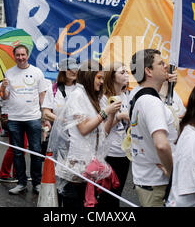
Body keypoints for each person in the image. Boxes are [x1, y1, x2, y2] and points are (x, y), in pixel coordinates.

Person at [49, 59, 122, 208]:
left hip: (91, 166)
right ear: (89, 76)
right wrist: (105, 112)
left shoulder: (96, 98)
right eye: (99, 77)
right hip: (77, 165)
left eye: (102, 78)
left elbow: (103, 133)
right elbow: (83, 129)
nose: (102, 81)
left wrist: (112, 114)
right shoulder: (77, 95)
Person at [0, 44, 49, 195]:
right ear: (14, 56)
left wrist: (44, 117)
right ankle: (21, 183)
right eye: (18, 55)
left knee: (35, 151)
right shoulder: (9, 73)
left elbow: (42, 96)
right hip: (14, 119)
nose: (21, 57)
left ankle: (37, 183)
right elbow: (4, 97)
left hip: (33, 118)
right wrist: (3, 87)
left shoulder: (37, 72)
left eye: (23, 55)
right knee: (18, 153)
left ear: (27, 56)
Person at [128, 49, 175, 207]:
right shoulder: (151, 102)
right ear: (148, 71)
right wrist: (173, 171)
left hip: (149, 180)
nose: (165, 66)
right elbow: (161, 144)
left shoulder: (141, 97)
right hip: (158, 182)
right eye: (161, 63)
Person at [97, 62, 130, 207]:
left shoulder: (126, 95)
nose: (126, 75)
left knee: (117, 194)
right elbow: (102, 129)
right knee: (106, 196)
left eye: (127, 72)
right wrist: (119, 116)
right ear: (112, 76)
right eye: (122, 72)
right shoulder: (103, 98)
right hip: (108, 152)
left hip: (124, 152)